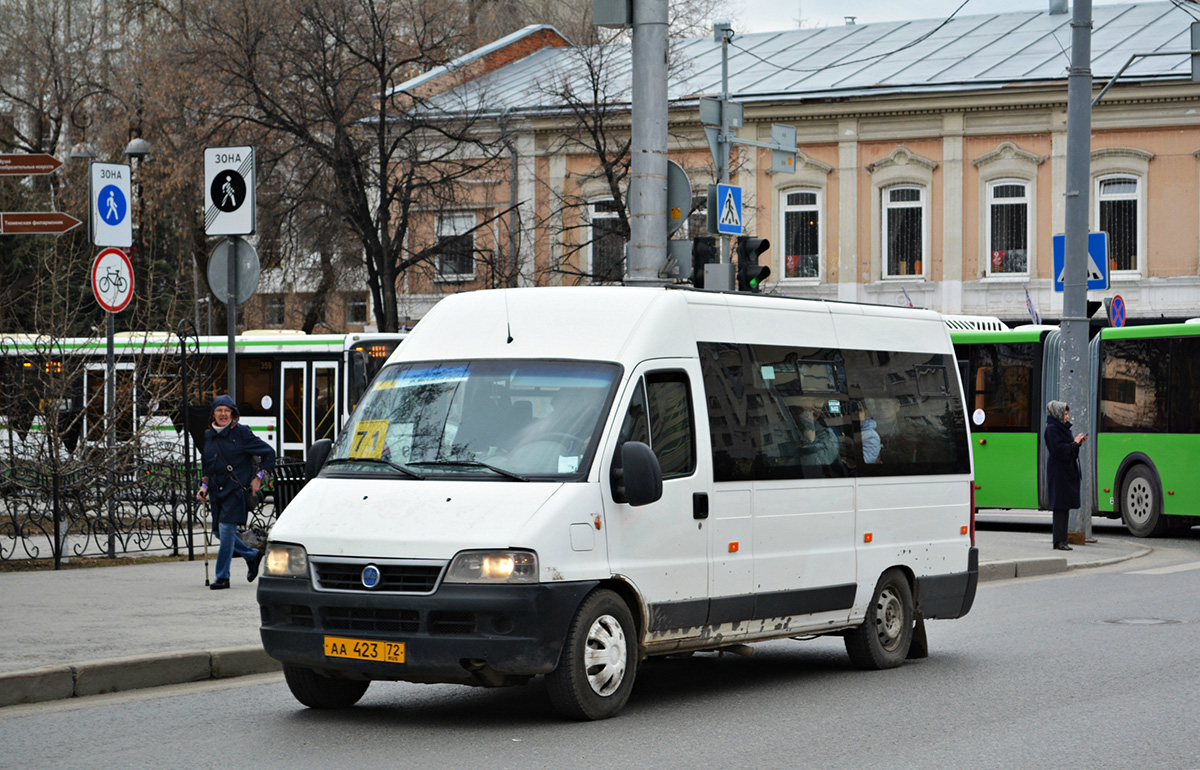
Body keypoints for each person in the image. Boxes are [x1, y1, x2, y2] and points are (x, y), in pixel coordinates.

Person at [197, 394, 276, 589]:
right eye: (219, 410)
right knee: (218, 532)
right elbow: (207, 464)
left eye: (227, 411)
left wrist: (259, 478)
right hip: (216, 491)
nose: (223, 414)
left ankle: (222, 577)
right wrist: (204, 486)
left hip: (234, 491)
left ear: (233, 414)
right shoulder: (208, 435)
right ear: (213, 413)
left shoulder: (242, 434)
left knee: (225, 530)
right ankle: (251, 555)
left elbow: (268, 453)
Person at [1044, 400, 1086, 552]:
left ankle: (1063, 540)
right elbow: (1058, 450)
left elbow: (1069, 451)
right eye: (1065, 413)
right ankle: (1058, 541)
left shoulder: (1062, 428)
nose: (1067, 417)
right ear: (1058, 414)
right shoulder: (1051, 429)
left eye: (1067, 413)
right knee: (1059, 507)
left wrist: (1077, 444)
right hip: (1058, 473)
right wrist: (1073, 444)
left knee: (1065, 507)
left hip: (1066, 471)